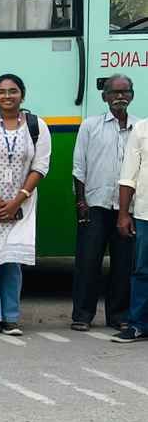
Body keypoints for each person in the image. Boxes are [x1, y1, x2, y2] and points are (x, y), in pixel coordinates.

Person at [0, 74, 52, 339]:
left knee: (12, 260)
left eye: (13, 91)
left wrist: (17, 200)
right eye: (2, 92)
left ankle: (10, 318)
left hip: (21, 203)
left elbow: (41, 165)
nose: (7, 96)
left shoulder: (37, 126)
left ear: (22, 95)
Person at [73, 75, 137, 331]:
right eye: (114, 92)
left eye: (125, 92)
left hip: (128, 208)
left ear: (132, 95)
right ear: (104, 96)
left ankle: (118, 316)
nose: (120, 97)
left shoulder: (140, 128)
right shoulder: (90, 126)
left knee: (124, 264)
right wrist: (81, 201)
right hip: (95, 204)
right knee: (88, 262)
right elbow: (79, 167)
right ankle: (82, 315)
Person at [112, 111, 148, 342]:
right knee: (143, 271)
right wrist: (123, 214)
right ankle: (138, 325)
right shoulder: (142, 129)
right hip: (145, 214)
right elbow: (128, 176)